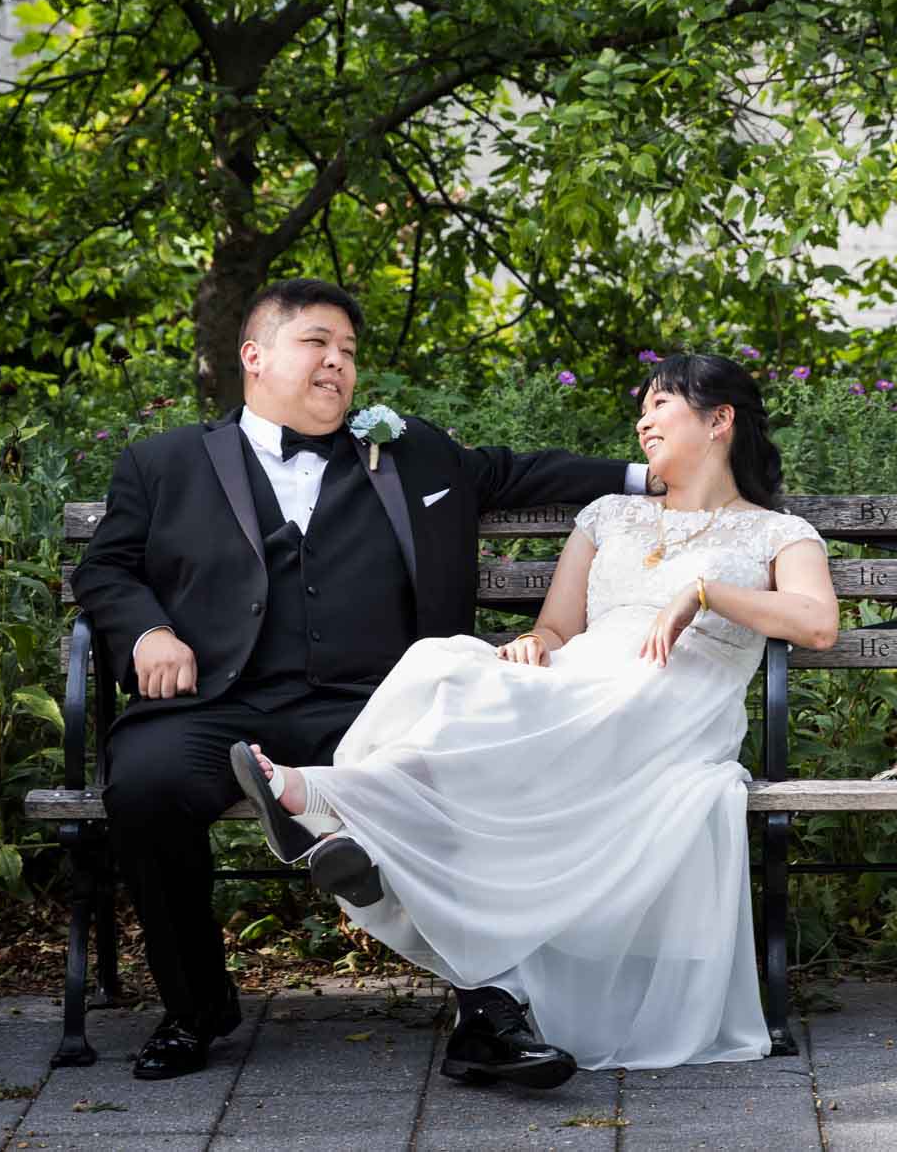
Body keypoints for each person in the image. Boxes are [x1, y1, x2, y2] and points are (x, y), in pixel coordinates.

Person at [72, 277, 655, 1081]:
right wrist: (149, 629)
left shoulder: (408, 451)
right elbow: (106, 567)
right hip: (221, 702)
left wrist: (650, 475)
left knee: (454, 766)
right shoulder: (164, 461)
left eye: (348, 351)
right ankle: (195, 1006)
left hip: (375, 702)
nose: (337, 364)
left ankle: (487, 1011)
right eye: (317, 343)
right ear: (255, 355)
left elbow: (519, 472)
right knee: (143, 783)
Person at [231, 354, 837, 1084]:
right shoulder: (609, 516)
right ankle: (351, 825)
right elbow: (556, 630)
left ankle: (335, 811)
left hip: (673, 704)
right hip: (583, 683)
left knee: (483, 715)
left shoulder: (777, 532)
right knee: (443, 664)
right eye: (640, 406)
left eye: (661, 403)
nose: (642, 419)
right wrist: (531, 644)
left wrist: (706, 592)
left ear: (719, 420)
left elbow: (816, 623)